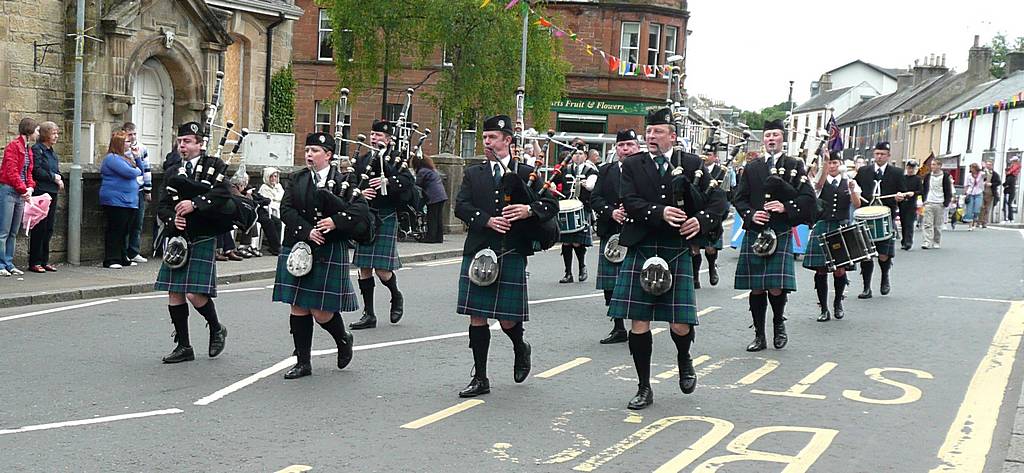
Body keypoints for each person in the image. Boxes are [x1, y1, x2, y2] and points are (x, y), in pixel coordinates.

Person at [608, 108, 729, 410]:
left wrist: (700, 220)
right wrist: (658, 212)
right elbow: (630, 201)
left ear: (673, 136)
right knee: (639, 321)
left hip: (675, 249)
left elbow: (718, 202)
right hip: (643, 246)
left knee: (679, 325)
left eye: (658, 131)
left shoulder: (691, 164)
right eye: (648, 132)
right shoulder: (633, 165)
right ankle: (644, 386)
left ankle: (684, 357)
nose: (651, 136)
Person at [454, 114, 557, 397]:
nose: (487, 143)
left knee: (508, 320)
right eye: (484, 138)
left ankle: (520, 346)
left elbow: (551, 205)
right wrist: (486, 220)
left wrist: (528, 210)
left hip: (511, 250)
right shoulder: (474, 173)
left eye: (493, 138)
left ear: (508, 141)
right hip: (479, 250)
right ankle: (481, 377)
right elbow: (461, 206)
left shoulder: (526, 174)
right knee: (477, 316)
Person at [273, 132, 370, 379]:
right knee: (298, 306)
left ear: (328, 155)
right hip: (300, 247)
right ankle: (303, 362)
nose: (309, 154)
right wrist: (306, 232)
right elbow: (286, 209)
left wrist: (335, 222)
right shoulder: (297, 179)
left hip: (329, 249)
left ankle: (342, 339)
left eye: (314, 150)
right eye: (307, 150)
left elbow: (360, 209)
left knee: (320, 312)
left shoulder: (346, 179)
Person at [733, 119, 816, 352]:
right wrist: (751, 214)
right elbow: (739, 199)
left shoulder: (794, 165)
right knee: (757, 287)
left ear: (782, 139)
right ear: (764, 140)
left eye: (775, 135)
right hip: (756, 232)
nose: (771, 138)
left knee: (777, 287)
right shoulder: (752, 167)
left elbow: (809, 200)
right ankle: (759, 335)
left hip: (779, 231)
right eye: (768, 135)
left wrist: (786, 207)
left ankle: (778, 324)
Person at [154, 122, 232, 364]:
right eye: (180, 142)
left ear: (200, 144)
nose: (182, 146)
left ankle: (215, 327)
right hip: (178, 237)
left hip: (203, 235)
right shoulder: (173, 171)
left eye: (187, 142)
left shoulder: (214, 166)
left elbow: (223, 194)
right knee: (174, 291)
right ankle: (183, 345)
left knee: (194, 294)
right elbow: (163, 204)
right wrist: (172, 218)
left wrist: (195, 204)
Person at [349, 119, 416, 330]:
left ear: (388, 139)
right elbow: (350, 182)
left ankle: (396, 295)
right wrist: (360, 193)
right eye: (372, 134)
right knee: (364, 267)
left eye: (378, 135)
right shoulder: (363, 159)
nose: (373, 138)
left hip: (386, 215)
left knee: (382, 270)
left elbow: (408, 182)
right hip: (366, 215)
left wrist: (388, 180)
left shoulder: (396, 160)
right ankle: (369, 314)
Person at [591, 129, 638, 344]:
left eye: (629, 144)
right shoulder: (606, 170)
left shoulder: (646, 169)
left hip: (638, 233)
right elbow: (596, 198)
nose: (625, 149)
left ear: (637, 147)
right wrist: (612, 211)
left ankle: (638, 326)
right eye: (621, 145)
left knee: (636, 282)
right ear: (616, 148)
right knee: (610, 285)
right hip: (611, 231)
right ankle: (618, 326)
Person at [803, 152, 861, 321]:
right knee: (821, 269)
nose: (833, 166)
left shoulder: (850, 181)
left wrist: (852, 190)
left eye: (835, 163)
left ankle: (837, 303)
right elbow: (818, 185)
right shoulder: (820, 181)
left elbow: (857, 204)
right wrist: (824, 164)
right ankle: (823, 308)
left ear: (841, 164)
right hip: (823, 225)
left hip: (841, 226)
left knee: (840, 269)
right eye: (830, 163)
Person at [853, 142, 907, 298]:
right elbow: (856, 189)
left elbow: (902, 193)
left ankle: (884, 277)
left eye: (882, 154)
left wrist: (900, 197)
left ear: (888, 156)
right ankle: (866, 287)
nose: (879, 156)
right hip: (865, 216)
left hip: (885, 216)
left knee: (883, 254)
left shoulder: (896, 173)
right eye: (877, 153)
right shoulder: (864, 171)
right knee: (866, 253)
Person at [690, 140, 731, 289]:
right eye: (704, 153)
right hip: (696, 212)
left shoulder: (722, 172)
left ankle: (712, 267)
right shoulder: (696, 169)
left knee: (710, 248)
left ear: (714, 156)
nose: (706, 156)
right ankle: (695, 277)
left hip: (714, 213)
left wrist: (721, 215)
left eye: (709, 154)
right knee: (694, 248)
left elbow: (725, 194)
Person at [0, 118, 38, 277]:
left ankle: (9, 263)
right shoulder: (13, 147)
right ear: (29, 131)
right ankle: (1, 264)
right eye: (36, 130)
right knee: (3, 231)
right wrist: (24, 190)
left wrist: (30, 187)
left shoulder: (28, 149)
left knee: (14, 232)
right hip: (9, 191)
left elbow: (28, 172)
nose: (38, 133)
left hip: (20, 193)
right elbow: (11, 171)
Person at [99, 131, 142, 269]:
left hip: (129, 201)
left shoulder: (126, 158)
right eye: (126, 142)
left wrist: (137, 158)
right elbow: (131, 172)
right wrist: (136, 170)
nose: (129, 144)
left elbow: (140, 169)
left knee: (125, 230)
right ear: (119, 143)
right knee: (115, 230)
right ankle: (111, 259)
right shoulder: (111, 158)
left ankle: (123, 257)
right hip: (115, 200)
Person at [556, 149, 598, 283]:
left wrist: (588, 185)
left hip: (583, 208)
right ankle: (568, 273)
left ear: (585, 156)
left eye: (580, 153)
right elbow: (554, 181)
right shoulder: (565, 169)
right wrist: (551, 185)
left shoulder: (591, 171)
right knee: (566, 241)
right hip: (567, 207)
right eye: (575, 154)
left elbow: (592, 185)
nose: (577, 156)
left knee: (577, 242)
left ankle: (582, 267)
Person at [28, 121, 63, 273]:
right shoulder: (37, 149)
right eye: (53, 133)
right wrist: (54, 177)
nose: (56, 136)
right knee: (39, 227)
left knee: (49, 227)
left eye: (57, 133)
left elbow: (56, 170)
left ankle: (44, 260)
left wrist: (59, 178)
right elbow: (37, 170)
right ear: (45, 134)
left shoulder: (52, 153)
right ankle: (35, 261)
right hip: (41, 191)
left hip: (52, 192)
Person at [123, 122, 152, 264]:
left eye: (134, 134)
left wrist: (148, 189)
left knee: (138, 223)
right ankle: (124, 253)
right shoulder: (121, 148)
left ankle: (134, 251)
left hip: (139, 190)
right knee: (127, 223)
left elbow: (146, 170)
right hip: (127, 190)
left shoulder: (142, 148)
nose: (133, 137)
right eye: (130, 134)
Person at [413, 155, 447, 243]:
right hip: (441, 195)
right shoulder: (431, 170)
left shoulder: (422, 171)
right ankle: (439, 237)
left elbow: (417, 185)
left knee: (431, 217)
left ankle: (431, 237)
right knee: (438, 217)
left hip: (433, 196)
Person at [921, 158, 953, 249]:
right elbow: (924, 188)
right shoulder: (928, 176)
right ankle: (926, 241)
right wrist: (924, 200)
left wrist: (946, 203)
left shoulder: (945, 176)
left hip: (940, 202)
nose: (933, 167)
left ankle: (936, 241)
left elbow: (948, 190)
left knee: (937, 225)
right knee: (927, 223)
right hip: (929, 202)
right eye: (932, 165)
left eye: (935, 164)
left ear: (939, 166)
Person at [258, 167, 284, 255]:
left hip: (280, 209)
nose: (274, 179)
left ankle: (278, 245)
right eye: (271, 177)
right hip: (268, 210)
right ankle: (275, 247)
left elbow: (283, 197)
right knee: (271, 222)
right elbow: (268, 202)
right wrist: (277, 199)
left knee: (278, 222)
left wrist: (276, 199)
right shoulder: (264, 187)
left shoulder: (279, 186)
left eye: (275, 176)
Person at [899, 160, 922, 250]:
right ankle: (904, 240)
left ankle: (908, 242)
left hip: (911, 204)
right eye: (909, 168)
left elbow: (921, 190)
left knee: (909, 223)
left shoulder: (917, 179)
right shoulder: (902, 178)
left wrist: (914, 193)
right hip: (902, 203)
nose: (910, 170)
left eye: (912, 168)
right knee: (903, 223)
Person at [981, 160, 1001, 227]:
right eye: (987, 164)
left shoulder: (995, 174)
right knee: (981, 207)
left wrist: (991, 184)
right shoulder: (983, 173)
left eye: (989, 164)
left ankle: (984, 222)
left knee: (987, 208)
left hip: (990, 192)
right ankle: (978, 222)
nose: (988, 166)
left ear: (992, 165)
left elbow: (999, 182)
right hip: (982, 191)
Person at [1006, 157, 1020, 222]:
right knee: (1008, 203)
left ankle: (1010, 218)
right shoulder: (1012, 169)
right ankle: (1009, 218)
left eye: (1013, 162)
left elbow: (1011, 171)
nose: (1012, 163)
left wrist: (1009, 171)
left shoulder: (1012, 175)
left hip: (1010, 190)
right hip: (1009, 189)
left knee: (1009, 203)